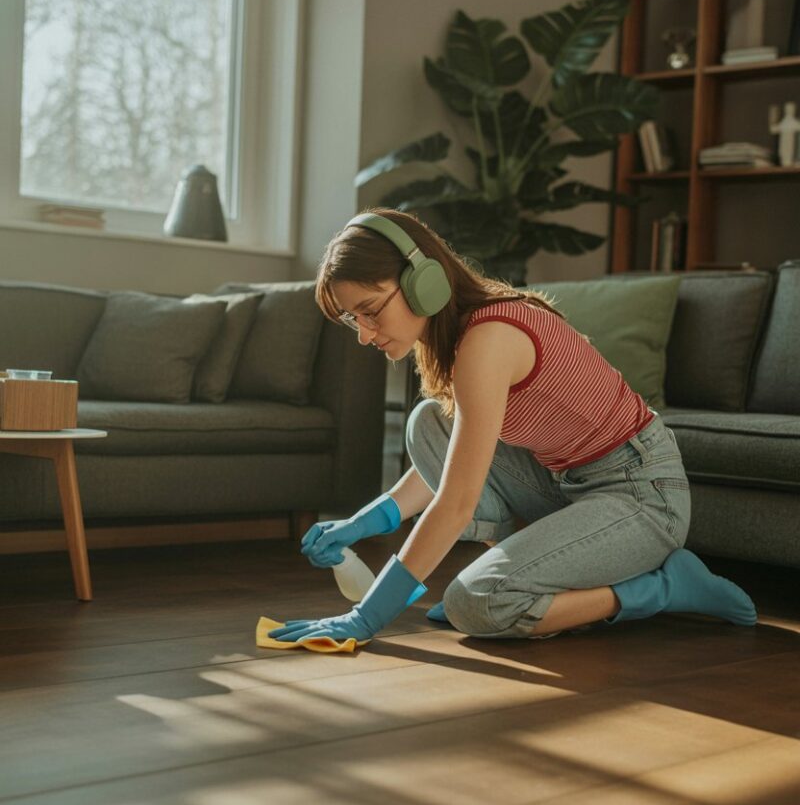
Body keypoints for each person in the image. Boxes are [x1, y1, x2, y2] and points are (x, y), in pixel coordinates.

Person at [269, 209, 756, 645]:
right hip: (569, 487)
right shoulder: (458, 340)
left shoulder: (489, 341)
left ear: (424, 279)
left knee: (473, 605)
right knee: (430, 424)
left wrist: (365, 617)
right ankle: (516, 577)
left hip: (643, 496)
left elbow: (458, 502)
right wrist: (362, 523)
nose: (365, 334)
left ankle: (665, 586)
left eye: (371, 311)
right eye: (354, 319)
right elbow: (456, 461)